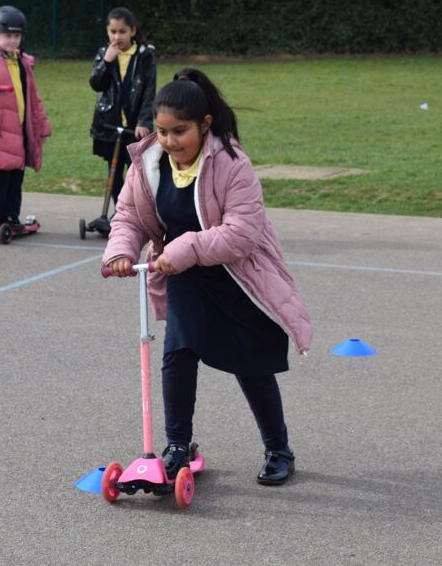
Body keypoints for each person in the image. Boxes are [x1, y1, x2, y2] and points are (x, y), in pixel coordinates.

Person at [103, 68, 312, 486]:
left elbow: (242, 233)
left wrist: (183, 249)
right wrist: (121, 251)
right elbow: (128, 215)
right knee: (178, 351)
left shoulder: (232, 164)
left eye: (180, 131)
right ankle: (178, 446)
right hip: (184, 274)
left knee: (250, 363)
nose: (169, 141)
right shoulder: (148, 163)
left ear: (205, 125)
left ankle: (278, 448)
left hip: (237, 276)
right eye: (163, 131)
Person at [0, 5, 51, 229]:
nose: (13, 41)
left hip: (20, 128)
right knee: (1, 175)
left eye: (16, 36)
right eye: (7, 36)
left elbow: (34, 97)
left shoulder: (22, 62)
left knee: (16, 173)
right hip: (0, 130)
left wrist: (42, 127)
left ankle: (10, 216)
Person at [89, 7, 155, 208]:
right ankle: (119, 212)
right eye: (113, 31)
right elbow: (96, 84)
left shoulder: (145, 55)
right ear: (107, 31)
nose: (117, 37)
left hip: (135, 127)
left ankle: (137, 212)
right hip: (110, 125)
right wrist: (107, 62)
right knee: (114, 171)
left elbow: (149, 91)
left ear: (132, 31)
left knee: (137, 173)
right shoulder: (104, 54)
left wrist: (144, 120)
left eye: (122, 31)